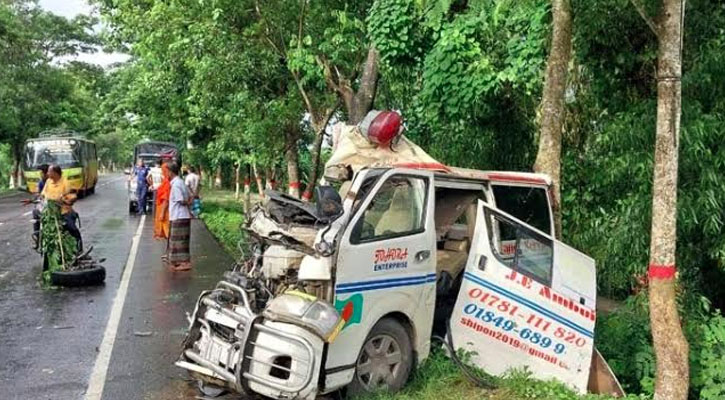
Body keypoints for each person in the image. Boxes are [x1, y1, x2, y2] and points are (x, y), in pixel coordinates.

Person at [41, 165, 82, 254]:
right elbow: (43, 194)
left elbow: (71, 197)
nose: (47, 173)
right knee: (37, 216)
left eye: (49, 171)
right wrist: (43, 198)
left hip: (63, 211)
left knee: (71, 228)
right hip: (50, 211)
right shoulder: (48, 182)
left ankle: (79, 248)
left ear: (55, 173)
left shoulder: (65, 183)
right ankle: (37, 239)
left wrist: (63, 200)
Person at [167, 162, 192, 271]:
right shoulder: (180, 182)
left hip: (179, 215)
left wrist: (187, 202)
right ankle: (178, 261)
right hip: (182, 215)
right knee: (179, 239)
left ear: (170, 172)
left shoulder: (176, 185)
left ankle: (184, 262)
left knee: (179, 240)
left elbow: (181, 200)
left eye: (166, 171)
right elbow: (191, 195)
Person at [153, 161, 171, 241]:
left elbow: (166, 199)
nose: (162, 172)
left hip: (165, 209)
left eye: (163, 170)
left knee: (167, 229)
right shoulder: (165, 181)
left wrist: (162, 213)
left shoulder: (167, 182)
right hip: (161, 206)